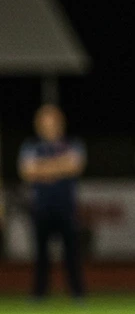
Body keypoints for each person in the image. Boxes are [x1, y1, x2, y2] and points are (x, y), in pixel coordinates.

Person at [18, 104, 87, 300]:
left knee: (72, 253)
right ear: (38, 126)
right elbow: (27, 171)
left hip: (66, 208)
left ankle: (77, 293)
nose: (50, 127)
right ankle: (39, 293)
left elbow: (75, 166)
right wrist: (60, 166)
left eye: (53, 122)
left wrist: (42, 170)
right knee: (41, 255)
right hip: (41, 208)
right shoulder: (31, 147)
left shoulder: (73, 144)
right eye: (46, 123)